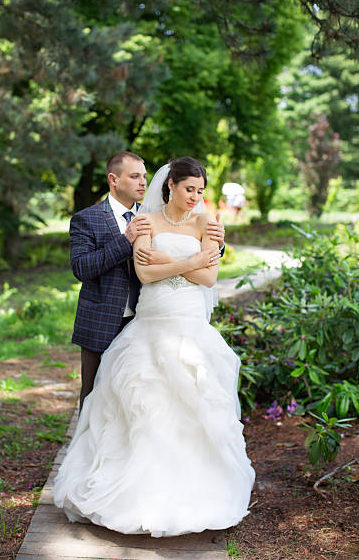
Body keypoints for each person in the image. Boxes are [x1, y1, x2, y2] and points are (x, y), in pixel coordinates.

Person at [52, 156, 255, 537]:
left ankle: (192, 488)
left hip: (184, 320)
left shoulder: (205, 223)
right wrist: (183, 260)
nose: (195, 196)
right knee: (117, 401)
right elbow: (140, 271)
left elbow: (209, 276)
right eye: (188, 188)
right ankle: (104, 472)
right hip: (128, 321)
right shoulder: (131, 221)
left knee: (192, 402)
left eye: (200, 190)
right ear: (172, 185)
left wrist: (175, 259)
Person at [69, 151, 225, 411]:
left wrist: (218, 244)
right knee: (95, 395)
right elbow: (82, 268)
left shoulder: (154, 214)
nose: (143, 182)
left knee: (144, 399)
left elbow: (194, 247)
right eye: (134, 176)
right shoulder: (88, 219)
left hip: (147, 318)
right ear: (113, 179)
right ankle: (87, 448)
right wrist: (125, 241)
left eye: (144, 176)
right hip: (103, 321)